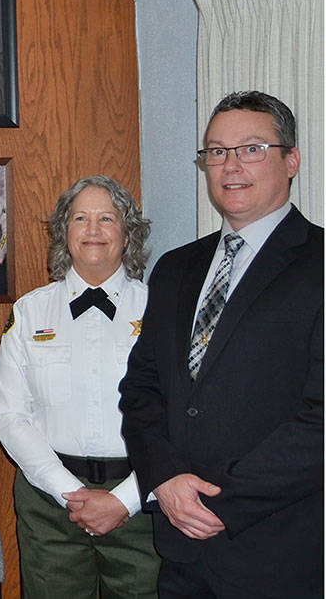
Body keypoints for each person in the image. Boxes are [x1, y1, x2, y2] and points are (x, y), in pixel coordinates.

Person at [120, 91, 322, 598]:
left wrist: (221, 502)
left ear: (291, 160)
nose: (231, 166)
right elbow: (142, 388)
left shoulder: (318, 264)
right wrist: (163, 480)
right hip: (180, 552)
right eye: (216, 152)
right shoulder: (175, 267)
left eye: (251, 149)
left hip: (277, 549)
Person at [0, 175, 160, 598]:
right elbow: (10, 416)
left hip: (144, 499)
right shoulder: (30, 312)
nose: (93, 230)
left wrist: (126, 498)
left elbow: (180, 416)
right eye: (80, 218)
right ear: (64, 232)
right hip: (50, 504)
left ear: (128, 233)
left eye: (107, 218)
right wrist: (69, 492)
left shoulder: (162, 309)